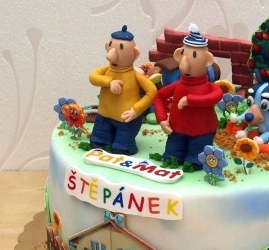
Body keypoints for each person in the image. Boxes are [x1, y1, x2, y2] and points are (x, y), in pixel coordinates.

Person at [154, 24, 222, 169]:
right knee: (172, 156)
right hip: (176, 130)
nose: (187, 62)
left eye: (194, 55)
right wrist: (161, 119)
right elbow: (159, 97)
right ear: (179, 55)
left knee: (195, 160)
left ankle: (193, 160)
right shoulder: (177, 85)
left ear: (208, 60)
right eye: (184, 54)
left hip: (202, 132)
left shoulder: (209, 86)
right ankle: (174, 156)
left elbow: (216, 95)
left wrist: (191, 100)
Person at [89, 25, 157, 155]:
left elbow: (152, 91)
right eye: (110, 46)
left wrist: (136, 110)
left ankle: (122, 146)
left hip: (127, 119)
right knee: (98, 142)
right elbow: (93, 77)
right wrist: (109, 81)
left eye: (120, 48)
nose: (112, 54)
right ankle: (101, 141)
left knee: (122, 147)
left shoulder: (135, 75)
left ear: (135, 54)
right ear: (107, 46)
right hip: (104, 115)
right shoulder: (106, 71)